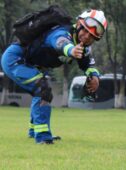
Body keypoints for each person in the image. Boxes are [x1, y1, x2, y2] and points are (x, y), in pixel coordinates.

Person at [1, 9, 107, 144]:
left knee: (39, 91)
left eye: (92, 36)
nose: (86, 37)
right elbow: (60, 42)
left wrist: (95, 76)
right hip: (15, 59)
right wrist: (71, 50)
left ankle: (34, 131)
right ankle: (43, 137)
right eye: (85, 31)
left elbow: (88, 65)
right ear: (79, 25)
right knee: (42, 90)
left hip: (30, 64)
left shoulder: (83, 47)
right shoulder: (62, 32)